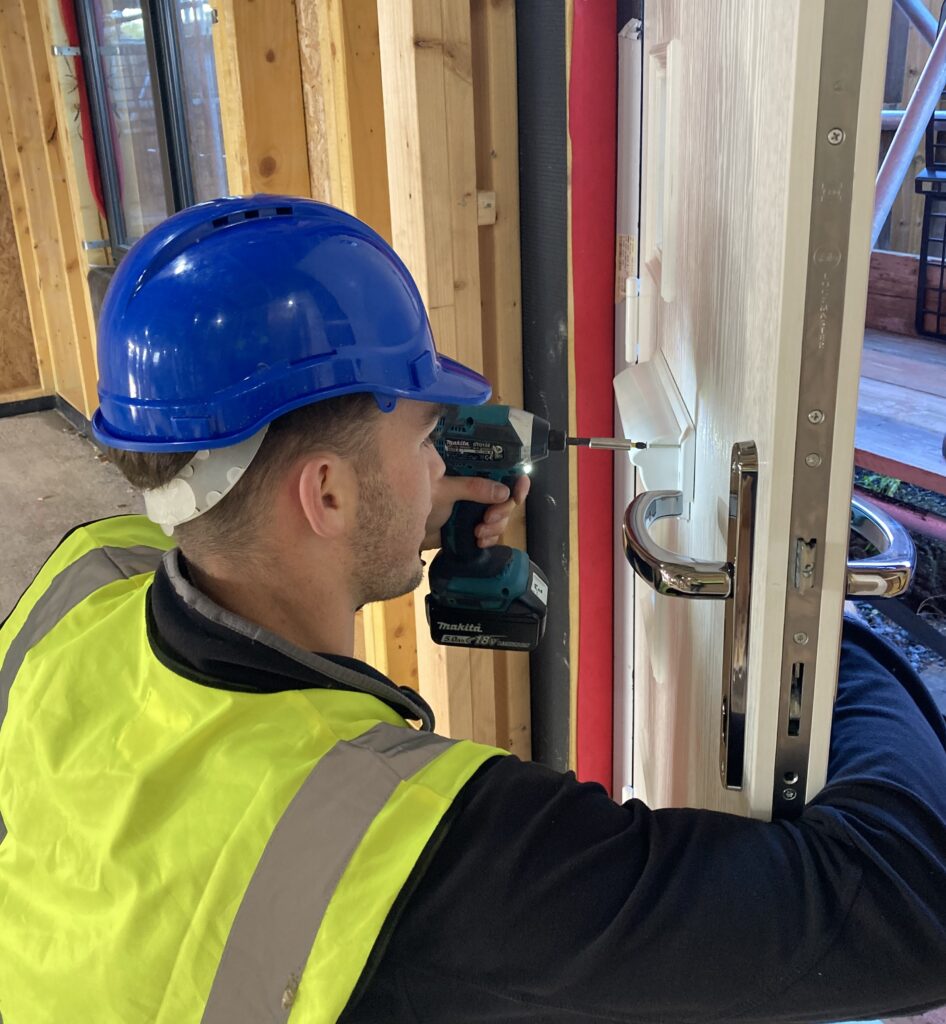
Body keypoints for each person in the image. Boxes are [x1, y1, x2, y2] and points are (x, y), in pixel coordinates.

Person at [0, 196, 944, 1024]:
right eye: (425, 434)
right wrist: (816, 629)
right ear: (324, 494)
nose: (442, 457)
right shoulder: (409, 849)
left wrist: (393, 495)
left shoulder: (82, 585)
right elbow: (910, 909)